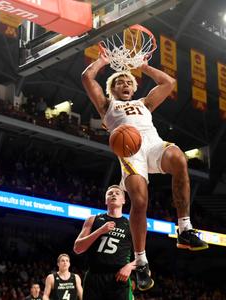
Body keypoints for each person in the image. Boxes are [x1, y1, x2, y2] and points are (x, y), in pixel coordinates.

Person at [81, 46, 208, 291]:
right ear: (112, 89)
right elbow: (87, 77)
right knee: (139, 202)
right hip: (130, 154)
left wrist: (144, 67)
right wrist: (101, 61)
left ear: (135, 86)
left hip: (153, 145)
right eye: (120, 82)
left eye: (129, 81)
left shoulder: (144, 103)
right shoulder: (106, 106)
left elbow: (169, 83)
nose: (125, 84)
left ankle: (184, 228)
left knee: (180, 159)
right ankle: (140, 262)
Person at [73, 185, 137, 299]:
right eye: (110, 193)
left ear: (123, 201)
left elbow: (142, 257)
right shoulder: (93, 220)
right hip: (94, 276)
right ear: (105, 200)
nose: (113, 194)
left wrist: (129, 266)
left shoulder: (131, 225)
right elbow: (77, 248)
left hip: (119, 276)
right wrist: (100, 231)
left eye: (117, 193)